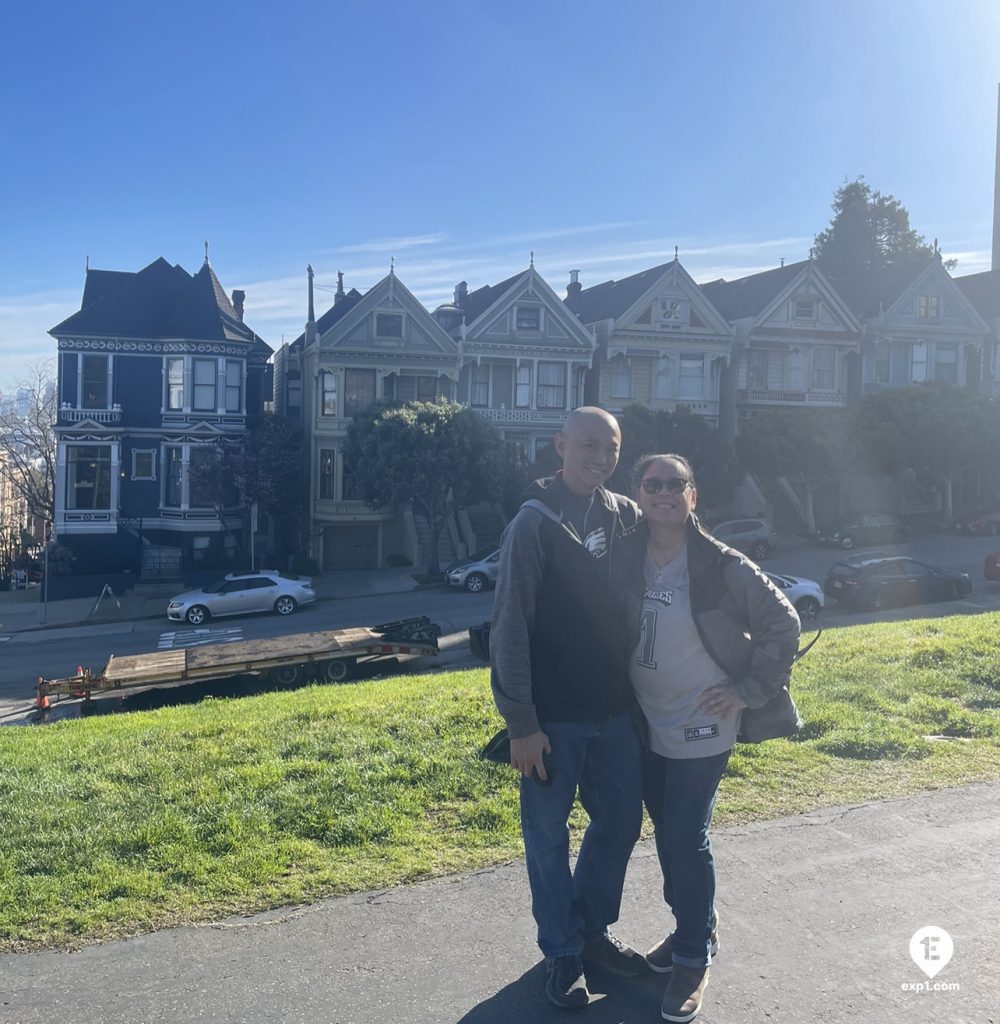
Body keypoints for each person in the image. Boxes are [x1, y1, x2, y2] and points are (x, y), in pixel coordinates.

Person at [625, 453, 801, 1023]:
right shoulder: (628, 555)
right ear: (639, 494)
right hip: (645, 719)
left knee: (683, 833)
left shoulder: (722, 564)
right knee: (667, 830)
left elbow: (785, 622)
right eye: (653, 484)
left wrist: (750, 690)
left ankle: (693, 954)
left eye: (676, 485)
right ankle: (694, 924)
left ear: (693, 497)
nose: (664, 493)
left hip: (704, 720)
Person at [490, 407, 648, 1009]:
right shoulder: (534, 523)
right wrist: (521, 725)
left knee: (620, 826)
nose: (599, 458)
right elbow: (509, 627)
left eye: (609, 449)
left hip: (616, 715)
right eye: (587, 446)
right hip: (552, 721)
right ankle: (561, 951)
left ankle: (592, 933)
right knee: (548, 838)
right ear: (560, 445)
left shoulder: (622, 514)